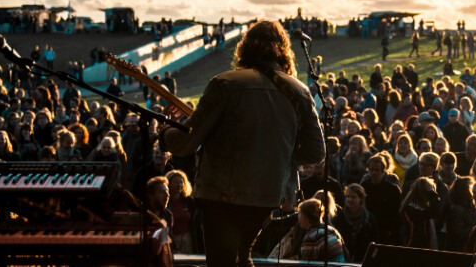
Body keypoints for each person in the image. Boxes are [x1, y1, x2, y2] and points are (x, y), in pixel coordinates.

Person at [159, 20, 325, 266]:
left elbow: (186, 142)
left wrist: (164, 132)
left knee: (223, 261)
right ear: (283, 50)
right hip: (268, 196)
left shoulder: (225, 84)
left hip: (221, 197)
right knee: (242, 256)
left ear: (244, 48)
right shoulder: (299, 90)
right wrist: (277, 156)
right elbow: (316, 151)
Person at [332, 184, 379, 263]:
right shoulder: (338, 217)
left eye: (353, 197)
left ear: (360, 199)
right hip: (342, 259)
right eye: (348, 196)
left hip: (362, 259)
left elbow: (375, 240)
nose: (350, 199)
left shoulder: (369, 218)